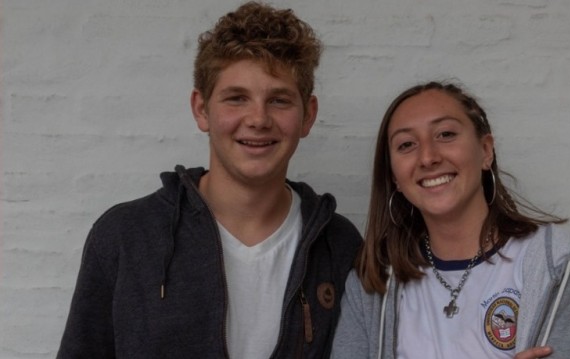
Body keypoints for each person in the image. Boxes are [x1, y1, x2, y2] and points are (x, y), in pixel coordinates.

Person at [57, 2, 362, 358]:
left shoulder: (339, 246)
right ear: (201, 109)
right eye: (237, 98)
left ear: (308, 116)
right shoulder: (127, 236)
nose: (258, 119)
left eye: (279, 100)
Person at [331, 81, 570, 359]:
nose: (428, 157)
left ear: (486, 151)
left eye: (445, 134)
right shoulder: (374, 279)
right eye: (406, 144)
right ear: (395, 177)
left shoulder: (557, 264)